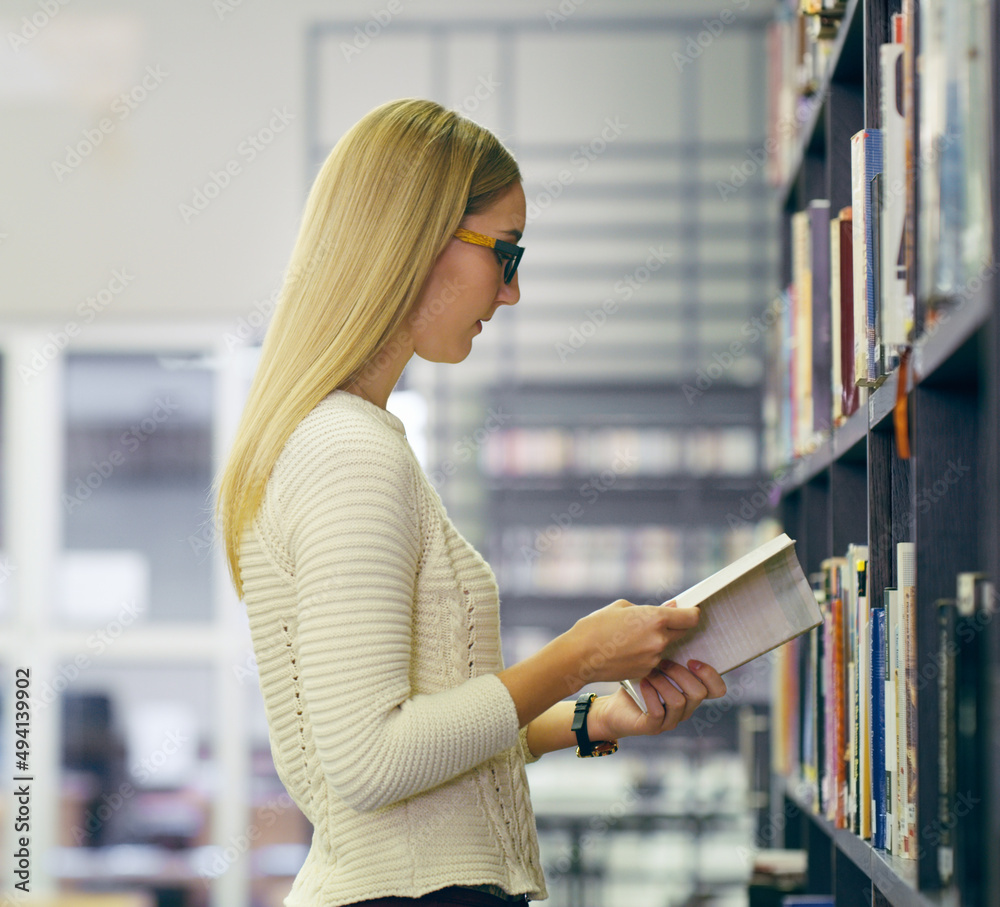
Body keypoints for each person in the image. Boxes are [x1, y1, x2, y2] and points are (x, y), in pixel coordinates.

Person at [216, 98, 727, 907]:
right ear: (416, 241)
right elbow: (372, 761)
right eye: (507, 252)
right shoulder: (347, 450)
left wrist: (593, 718)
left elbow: (430, 756)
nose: (513, 292)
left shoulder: (350, 437)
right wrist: (577, 656)